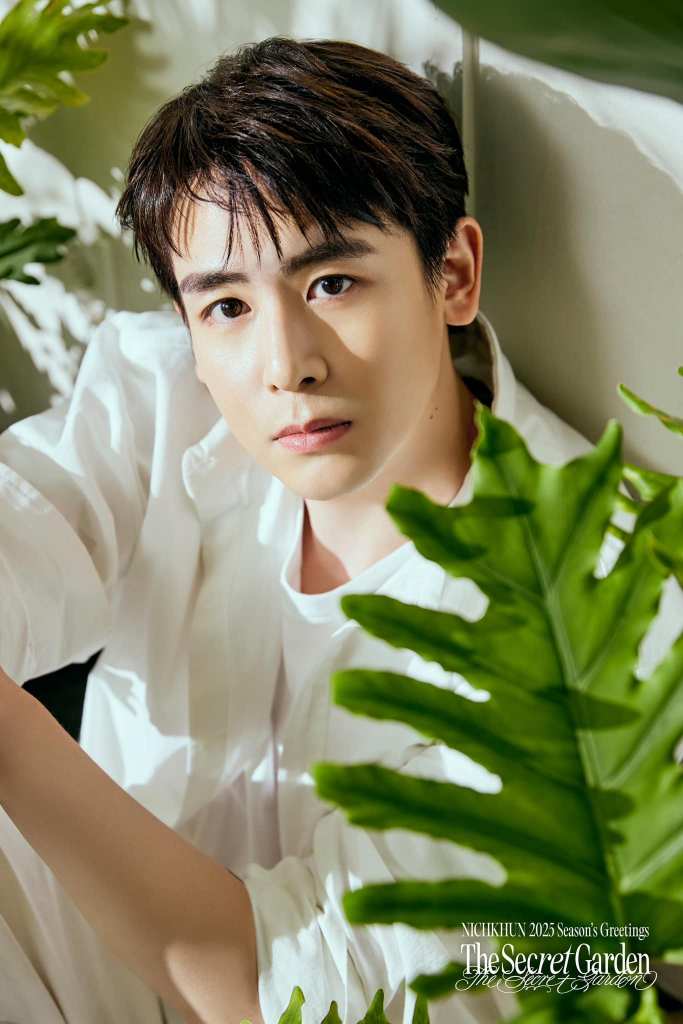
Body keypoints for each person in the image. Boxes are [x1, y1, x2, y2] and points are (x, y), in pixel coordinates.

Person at [0, 35, 676, 1024]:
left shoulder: (592, 610)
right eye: (226, 305)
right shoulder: (164, 398)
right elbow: (26, 517)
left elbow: (278, 987)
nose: (284, 364)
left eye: (330, 284)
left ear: (452, 274)